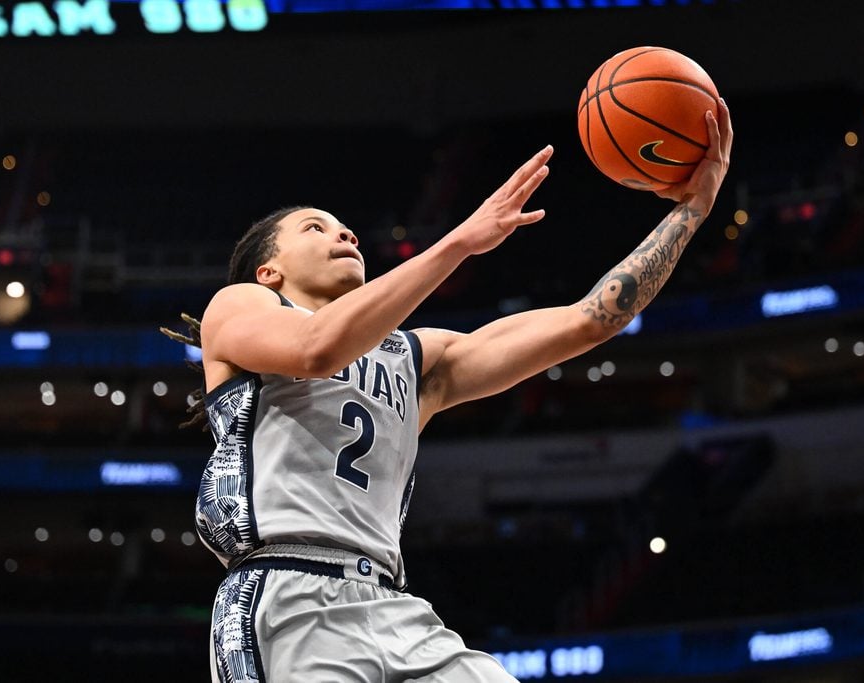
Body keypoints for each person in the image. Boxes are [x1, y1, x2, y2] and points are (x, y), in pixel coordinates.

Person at [165, 101, 732, 681]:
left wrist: (692, 210)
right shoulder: (242, 306)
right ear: (269, 271)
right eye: (316, 227)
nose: (344, 232)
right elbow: (317, 350)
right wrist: (458, 243)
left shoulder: (418, 358)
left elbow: (590, 319)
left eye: (343, 226)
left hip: (393, 606)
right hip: (285, 598)